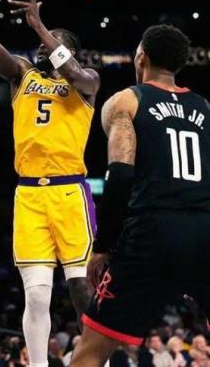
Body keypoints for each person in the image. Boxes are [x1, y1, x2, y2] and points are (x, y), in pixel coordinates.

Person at [0, 0, 100, 367]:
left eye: (53, 42)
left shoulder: (87, 81)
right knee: (37, 294)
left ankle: (99, 361)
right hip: (28, 194)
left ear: (68, 49)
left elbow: (75, 72)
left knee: (80, 287)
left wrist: (40, 26)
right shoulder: (22, 74)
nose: (42, 47)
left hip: (69, 191)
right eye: (41, 42)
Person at [71, 24, 210, 367]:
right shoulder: (205, 107)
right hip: (204, 231)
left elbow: (120, 174)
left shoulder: (127, 101)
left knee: (91, 351)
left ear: (141, 57)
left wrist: (103, 246)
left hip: (151, 232)